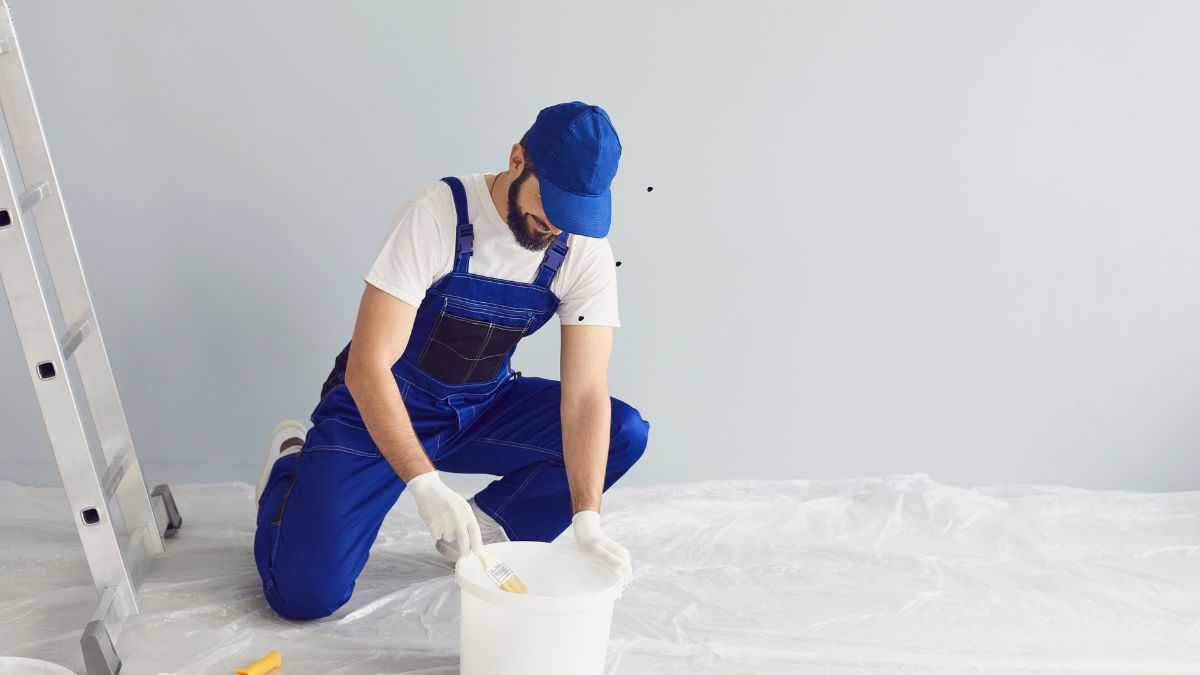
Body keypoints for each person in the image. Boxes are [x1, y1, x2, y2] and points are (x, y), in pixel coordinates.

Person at [252, 101, 650, 620]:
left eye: (572, 213)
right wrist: (425, 485)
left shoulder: (581, 248)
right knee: (304, 595)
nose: (554, 225)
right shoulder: (438, 214)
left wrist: (587, 519)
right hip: (379, 408)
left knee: (623, 430)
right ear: (516, 158)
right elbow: (367, 366)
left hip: (483, 406)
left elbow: (586, 396)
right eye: (546, 200)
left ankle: (490, 526)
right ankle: (289, 469)